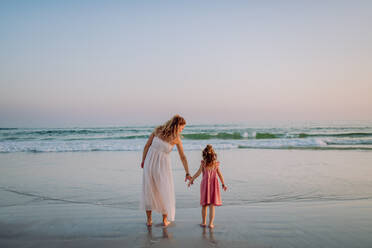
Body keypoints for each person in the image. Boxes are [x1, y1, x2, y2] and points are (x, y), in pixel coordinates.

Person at [140, 115, 192, 227]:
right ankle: (164, 220)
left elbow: (146, 146)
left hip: (149, 163)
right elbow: (182, 156)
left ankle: (149, 220)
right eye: (182, 128)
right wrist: (187, 172)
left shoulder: (158, 130)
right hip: (162, 166)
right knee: (165, 190)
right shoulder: (176, 139)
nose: (182, 130)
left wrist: (143, 161)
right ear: (177, 126)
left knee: (149, 190)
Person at [188, 144, 227, 228]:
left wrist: (192, 179)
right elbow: (220, 175)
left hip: (205, 185)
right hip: (214, 185)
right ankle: (211, 223)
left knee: (204, 205)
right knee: (212, 205)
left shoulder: (203, 164)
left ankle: (204, 222)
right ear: (213, 155)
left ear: (204, 155)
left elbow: (198, 173)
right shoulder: (215, 164)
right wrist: (223, 184)